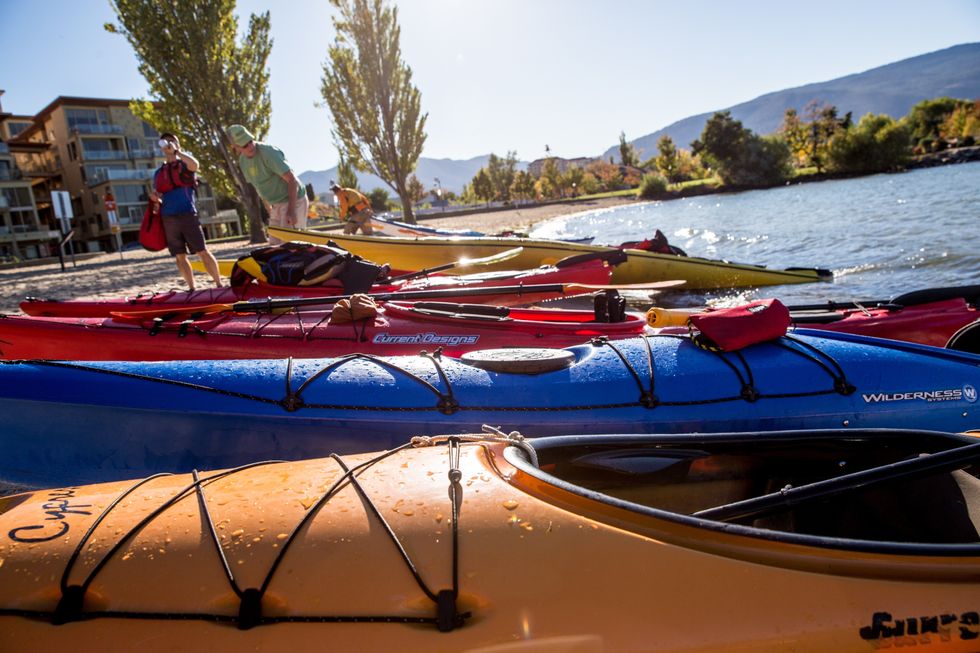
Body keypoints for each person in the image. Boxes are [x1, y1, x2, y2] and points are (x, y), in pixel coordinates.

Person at [150, 133, 222, 290]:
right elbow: (159, 195)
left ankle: (218, 284)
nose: (168, 144)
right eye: (165, 142)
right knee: (179, 256)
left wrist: (177, 152)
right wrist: (156, 200)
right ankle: (191, 288)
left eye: (172, 141)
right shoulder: (158, 173)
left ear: (177, 144)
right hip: (168, 217)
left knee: (202, 251)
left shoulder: (184, 165)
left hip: (187, 214)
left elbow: (195, 165)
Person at [226, 124, 308, 244]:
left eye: (250, 141)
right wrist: (270, 209)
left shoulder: (269, 153)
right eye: (244, 145)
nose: (250, 146)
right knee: (274, 246)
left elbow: (292, 180)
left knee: (290, 246)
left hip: (293, 200)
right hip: (276, 205)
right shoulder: (243, 162)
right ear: (235, 147)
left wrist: (291, 210)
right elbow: (259, 186)